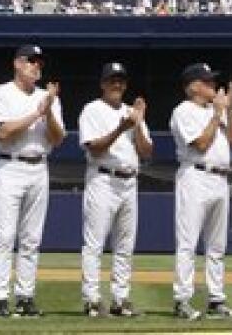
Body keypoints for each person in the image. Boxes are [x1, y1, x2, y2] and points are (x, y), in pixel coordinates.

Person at [0, 44, 65, 317]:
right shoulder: (0, 93)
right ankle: (0, 298)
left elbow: (58, 139)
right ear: (17, 63)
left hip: (39, 166)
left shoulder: (47, 98)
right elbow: (4, 133)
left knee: (31, 238)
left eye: (39, 62)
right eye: (31, 61)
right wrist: (37, 113)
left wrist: (49, 110)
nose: (36, 66)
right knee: (5, 235)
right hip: (9, 165)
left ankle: (25, 296)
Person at [77, 61, 152, 317]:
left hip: (129, 181)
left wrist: (139, 123)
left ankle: (120, 299)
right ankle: (92, 300)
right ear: (102, 84)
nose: (116, 84)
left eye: (120, 80)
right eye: (111, 80)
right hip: (103, 179)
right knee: (94, 243)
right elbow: (94, 148)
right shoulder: (92, 110)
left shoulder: (133, 112)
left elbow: (147, 152)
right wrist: (122, 128)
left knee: (125, 245)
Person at [169, 61, 232, 320]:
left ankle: (216, 299)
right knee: (188, 242)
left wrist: (229, 110)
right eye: (209, 81)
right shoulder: (184, 111)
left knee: (217, 246)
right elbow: (200, 144)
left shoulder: (219, 109)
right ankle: (182, 300)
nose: (214, 85)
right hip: (196, 176)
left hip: (220, 179)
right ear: (195, 86)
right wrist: (216, 115)